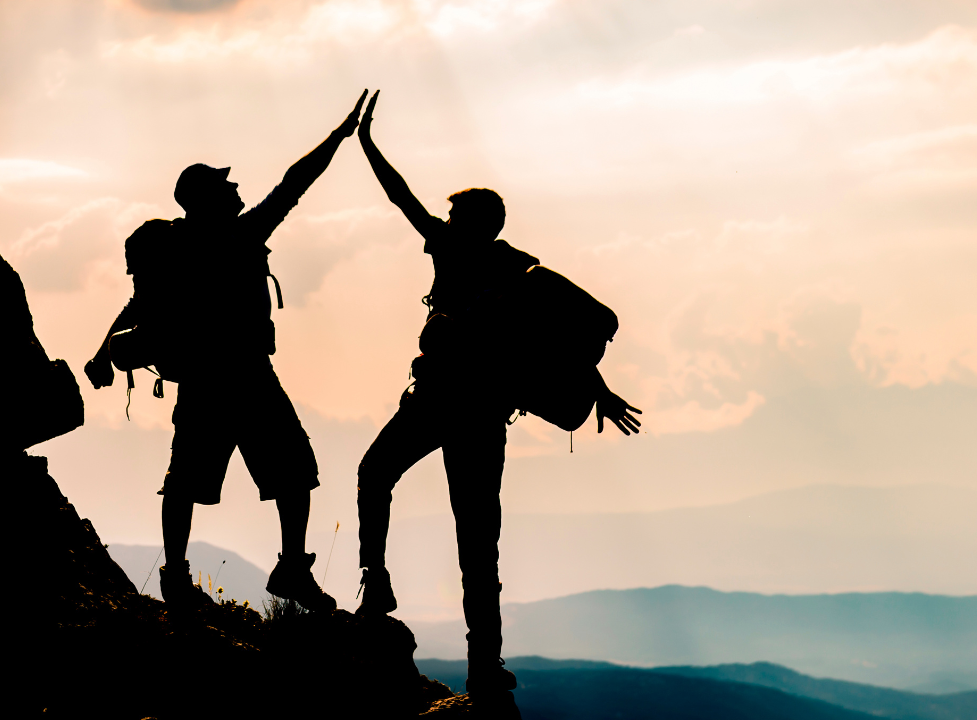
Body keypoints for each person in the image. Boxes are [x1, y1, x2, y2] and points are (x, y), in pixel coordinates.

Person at [352, 91, 642, 695]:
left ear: (470, 224)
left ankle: (374, 582)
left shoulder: (456, 252)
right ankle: (484, 661)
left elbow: (399, 196)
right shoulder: (520, 271)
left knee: (377, 474)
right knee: (478, 541)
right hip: (482, 414)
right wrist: (601, 388)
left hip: (438, 401)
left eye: (455, 218)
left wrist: (367, 144)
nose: (445, 225)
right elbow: (558, 339)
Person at [84, 93, 371, 612]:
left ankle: (178, 575)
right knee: (292, 472)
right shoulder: (241, 236)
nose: (237, 187)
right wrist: (339, 135)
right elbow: (294, 183)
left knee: (189, 481)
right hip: (245, 377)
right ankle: (286, 571)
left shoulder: (173, 247)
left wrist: (104, 351)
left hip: (203, 381)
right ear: (207, 197)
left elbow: (138, 302)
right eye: (226, 183)